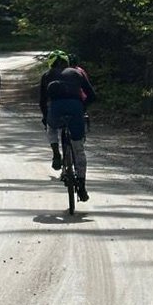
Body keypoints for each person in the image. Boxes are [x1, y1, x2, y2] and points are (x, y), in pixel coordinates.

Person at [39, 51, 96, 201]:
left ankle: (56, 153)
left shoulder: (46, 75)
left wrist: (46, 117)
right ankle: (82, 186)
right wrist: (82, 108)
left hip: (56, 108)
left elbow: (42, 101)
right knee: (79, 148)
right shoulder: (77, 73)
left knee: (51, 127)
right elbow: (91, 95)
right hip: (75, 108)